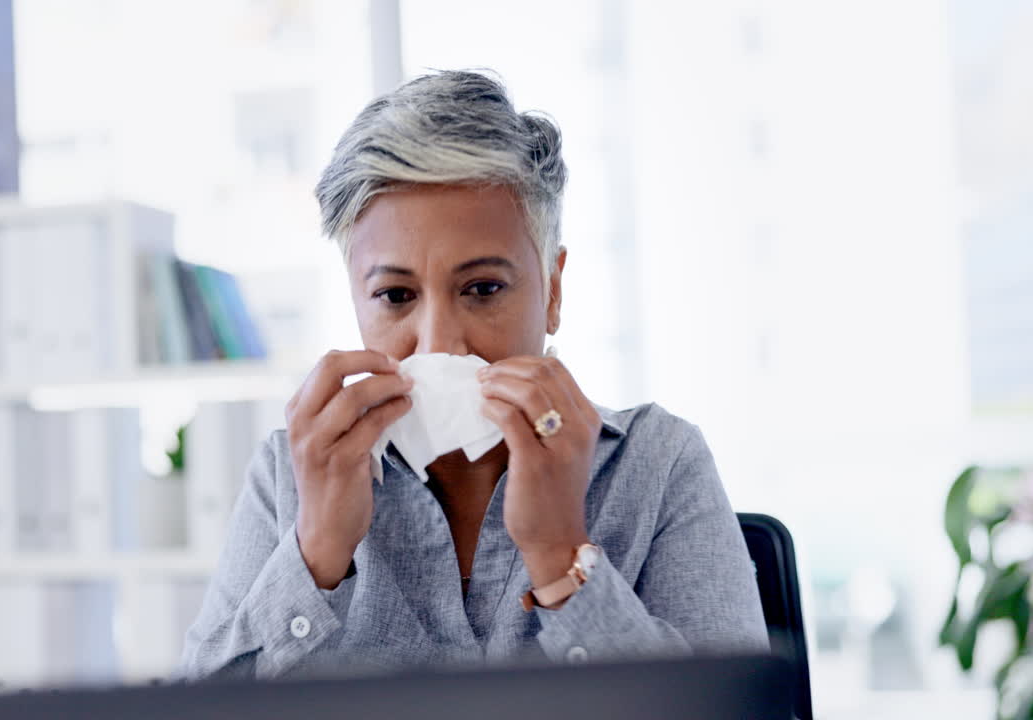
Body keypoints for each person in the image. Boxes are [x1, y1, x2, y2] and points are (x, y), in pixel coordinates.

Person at [179, 70, 768, 679]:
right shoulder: (289, 477)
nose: (440, 343)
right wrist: (317, 553)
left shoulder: (657, 464)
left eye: (483, 288)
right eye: (396, 295)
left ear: (553, 290)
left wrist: (561, 556)